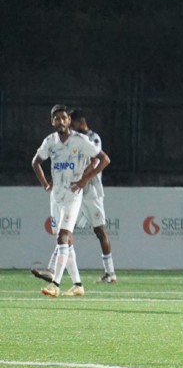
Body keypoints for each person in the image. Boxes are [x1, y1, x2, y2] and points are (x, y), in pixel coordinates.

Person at [30, 104, 109, 298]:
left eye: (63, 118)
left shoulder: (80, 140)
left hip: (73, 195)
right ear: (52, 122)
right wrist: (45, 184)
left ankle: (55, 283)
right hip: (56, 196)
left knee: (62, 237)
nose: (60, 121)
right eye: (56, 118)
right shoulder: (50, 141)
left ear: (69, 120)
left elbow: (104, 159)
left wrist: (84, 179)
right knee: (66, 242)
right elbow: (35, 162)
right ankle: (78, 285)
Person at [69, 109, 117, 283]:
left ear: (81, 123)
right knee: (65, 228)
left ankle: (110, 273)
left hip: (91, 192)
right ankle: (56, 269)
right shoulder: (75, 140)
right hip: (77, 190)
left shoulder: (93, 138)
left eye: (73, 125)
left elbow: (96, 161)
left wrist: (83, 179)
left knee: (100, 231)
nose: (71, 128)